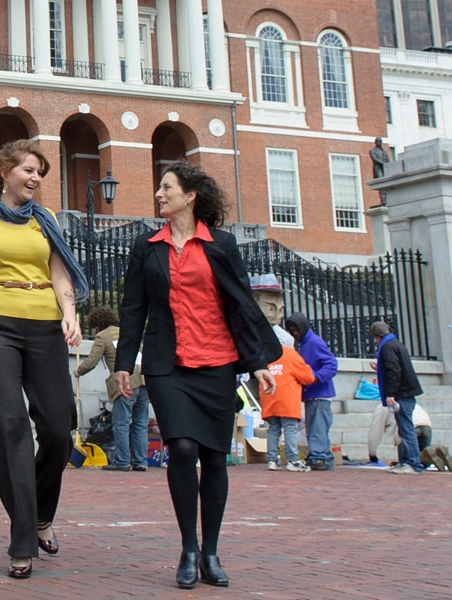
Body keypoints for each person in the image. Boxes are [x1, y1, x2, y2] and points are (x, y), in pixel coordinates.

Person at [113, 161, 280, 590]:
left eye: (166, 187)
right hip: (168, 364)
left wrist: (257, 361)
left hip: (218, 362)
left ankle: (211, 552)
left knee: (215, 457)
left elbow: (240, 304)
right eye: (159, 188)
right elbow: (133, 310)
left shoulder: (221, 244)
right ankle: (189, 547)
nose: (158, 194)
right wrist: (123, 365)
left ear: (190, 196)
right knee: (182, 448)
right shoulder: (146, 246)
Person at [0, 139, 88, 580]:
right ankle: (23, 538)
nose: (36, 178)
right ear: (5, 171)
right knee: (10, 428)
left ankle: (41, 513)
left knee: (58, 431)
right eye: (29, 169)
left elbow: (59, 271)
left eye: (41, 172)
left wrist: (70, 314)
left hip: (44, 323)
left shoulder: (44, 221)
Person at [78, 307, 148, 472]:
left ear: (97, 324)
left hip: (126, 382)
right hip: (144, 381)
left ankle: (122, 462)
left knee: (121, 423)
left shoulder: (103, 336)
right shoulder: (127, 331)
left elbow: (92, 360)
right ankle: (140, 461)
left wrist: (78, 371)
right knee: (140, 423)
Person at [283, 314, 339, 471]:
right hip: (314, 394)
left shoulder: (314, 342)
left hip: (319, 393)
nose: (295, 333)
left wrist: (314, 378)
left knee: (316, 427)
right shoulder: (306, 343)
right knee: (316, 427)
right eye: (292, 330)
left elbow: (331, 365)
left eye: (296, 330)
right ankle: (323, 456)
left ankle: (318, 456)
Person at [371, 321, 425, 475]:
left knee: (406, 429)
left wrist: (390, 394)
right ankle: (407, 461)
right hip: (407, 391)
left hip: (402, 393)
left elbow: (394, 371)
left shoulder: (387, 347)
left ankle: (413, 463)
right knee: (404, 429)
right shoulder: (396, 344)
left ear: (378, 337)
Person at [261, 326, 314, 472]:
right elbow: (307, 377)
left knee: (273, 429)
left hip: (269, 398)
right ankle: (293, 460)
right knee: (290, 428)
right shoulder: (290, 354)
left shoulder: (265, 355)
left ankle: (272, 460)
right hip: (287, 399)